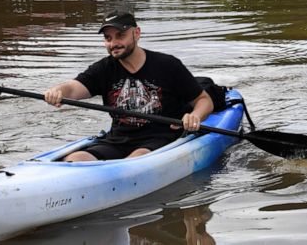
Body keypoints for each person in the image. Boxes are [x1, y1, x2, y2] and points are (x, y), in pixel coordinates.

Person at [44, 10, 213, 161]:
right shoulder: (103, 68)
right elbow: (73, 88)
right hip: (117, 139)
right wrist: (58, 91)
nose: (113, 43)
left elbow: (204, 100)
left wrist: (195, 116)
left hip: (160, 138)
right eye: (108, 38)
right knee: (74, 159)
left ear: (136, 33)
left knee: (137, 158)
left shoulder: (167, 65)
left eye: (120, 36)